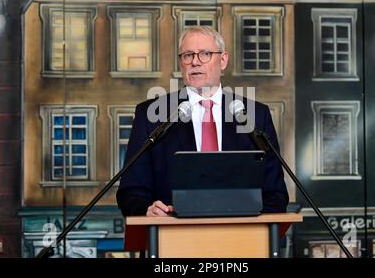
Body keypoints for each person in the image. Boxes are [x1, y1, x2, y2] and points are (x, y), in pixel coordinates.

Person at [116, 26, 288, 217]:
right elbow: (131, 191)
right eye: (188, 55)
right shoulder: (151, 114)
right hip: (173, 239)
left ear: (223, 60)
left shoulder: (256, 115)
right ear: (181, 63)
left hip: (241, 241)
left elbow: (276, 194)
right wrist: (147, 210)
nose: (195, 62)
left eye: (205, 54)